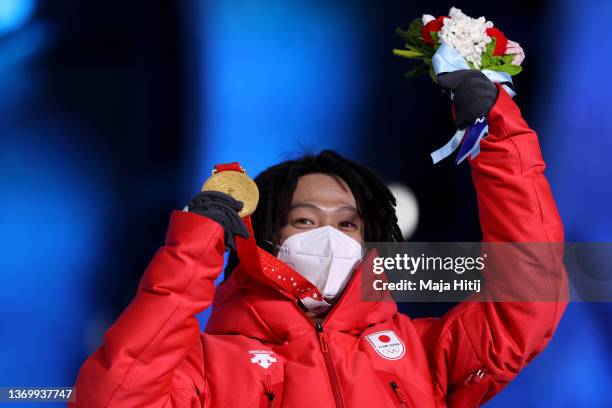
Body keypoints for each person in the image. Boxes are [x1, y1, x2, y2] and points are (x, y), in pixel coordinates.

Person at [70, 70, 567, 407]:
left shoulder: (424, 352)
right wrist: (194, 248)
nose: (330, 236)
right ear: (263, 235)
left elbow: (532, 292)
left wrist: (499, 140)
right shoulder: (207, 366)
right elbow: (114, 396)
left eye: (348, 224)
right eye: (304, 221)